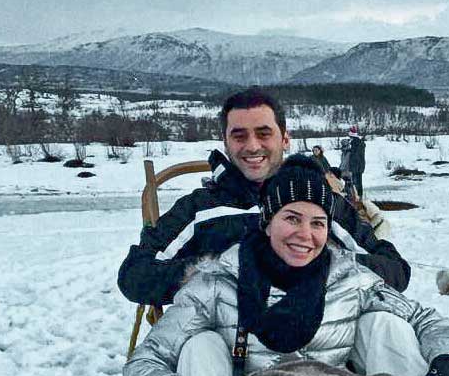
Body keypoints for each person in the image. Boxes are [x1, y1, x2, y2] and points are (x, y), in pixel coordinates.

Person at [123, 155, 449, 376]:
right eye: (292, 218)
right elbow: (144, 364)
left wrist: (447, 365)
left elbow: (427, 320)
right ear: (267, 221)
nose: (306, 234)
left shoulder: (350, 278)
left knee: (385, 324)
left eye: (318, 223)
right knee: (200, 346)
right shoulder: (216, 283)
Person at [117, 90, 409, 306]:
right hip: (225, 343)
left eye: (264, 133)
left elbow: (395, 270)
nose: (252, 146)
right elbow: (135, 275)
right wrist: (222, 269)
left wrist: (318, 265)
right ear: (226, 142)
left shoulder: (319, 201)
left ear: (284, 139)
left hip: (324, 340)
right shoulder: (201, 208)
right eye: (239, 135)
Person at [339, 125, 366, 198]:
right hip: (357, 166)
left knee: (355, 183)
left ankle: (357, 196)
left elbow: (355, 156)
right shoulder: (357, 143)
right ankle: (357, 196)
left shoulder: (356, 143)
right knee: (356, 182)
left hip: (355, 167)